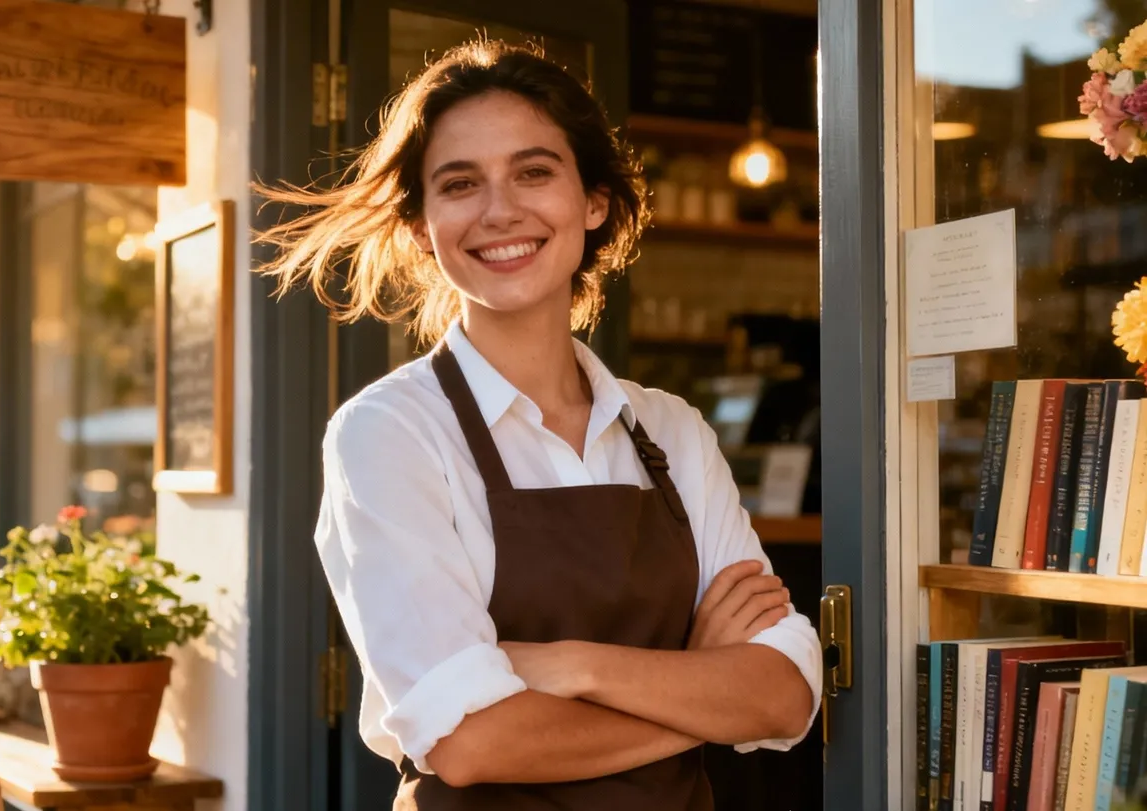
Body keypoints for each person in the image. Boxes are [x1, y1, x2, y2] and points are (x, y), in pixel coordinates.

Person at [255, 40, 822, 810]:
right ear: (423, 224)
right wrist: (697, 688)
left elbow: (784, 694)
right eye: (460, 183)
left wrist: (575, 664)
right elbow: (472, 742)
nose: (500, 210)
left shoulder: (672, 431)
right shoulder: (389, 434)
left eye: (534, 171)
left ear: (593, 200)